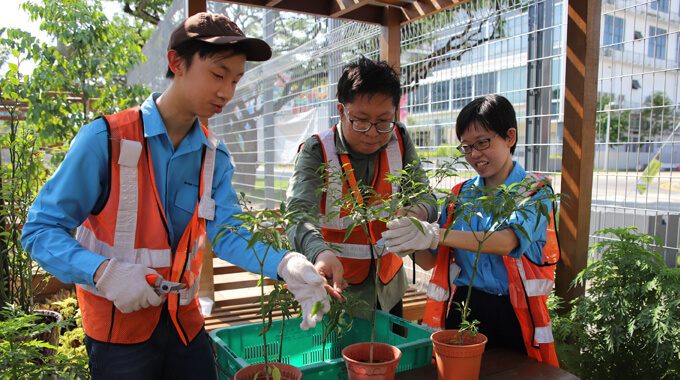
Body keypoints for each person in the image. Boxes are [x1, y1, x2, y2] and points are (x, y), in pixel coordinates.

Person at [21, 12, 335, 380]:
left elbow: (226, 231)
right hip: (117, 332)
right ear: (176, 63)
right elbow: (39, 230)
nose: (227, 92)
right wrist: (103, 272)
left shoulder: (213, 157)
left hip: (184, 324)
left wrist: (286, 264)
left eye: (236, 79)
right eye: (218, 75)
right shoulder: (105, 140)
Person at [382, 95, 560, 367]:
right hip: (463, 308)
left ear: (510, 137)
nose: (474, 154)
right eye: (466, 147)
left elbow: (506, 242)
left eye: (482, 143)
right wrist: (408, 243)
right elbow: (432, 260)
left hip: (514, 313)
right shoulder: (459, 194)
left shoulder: (534, 191)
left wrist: (433, 234)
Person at [285, 57, 437, 319]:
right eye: (360, 121)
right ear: (341, 110)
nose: (372, 133)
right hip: (336, 287)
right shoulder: (316, 150)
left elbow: (425, 195)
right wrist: (319, 251)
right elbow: (298, 214)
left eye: (383, 122)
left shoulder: (399, 139)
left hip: (389, 289)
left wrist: (417, 214)